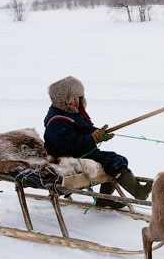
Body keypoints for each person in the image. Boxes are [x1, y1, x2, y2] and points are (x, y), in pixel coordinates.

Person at [43, 76, 151, 207]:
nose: (77, 102)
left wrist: (98, 133)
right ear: (63, 101)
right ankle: (138, 192)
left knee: (115, 159)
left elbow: (85, 129)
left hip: (82, 151)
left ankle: (104, 198)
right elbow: (70, 142)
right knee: (113, 161)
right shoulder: (56, 120)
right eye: (73, 99)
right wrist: (93, 138)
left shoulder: (73, 113)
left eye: (79, 97)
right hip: (67, 155)